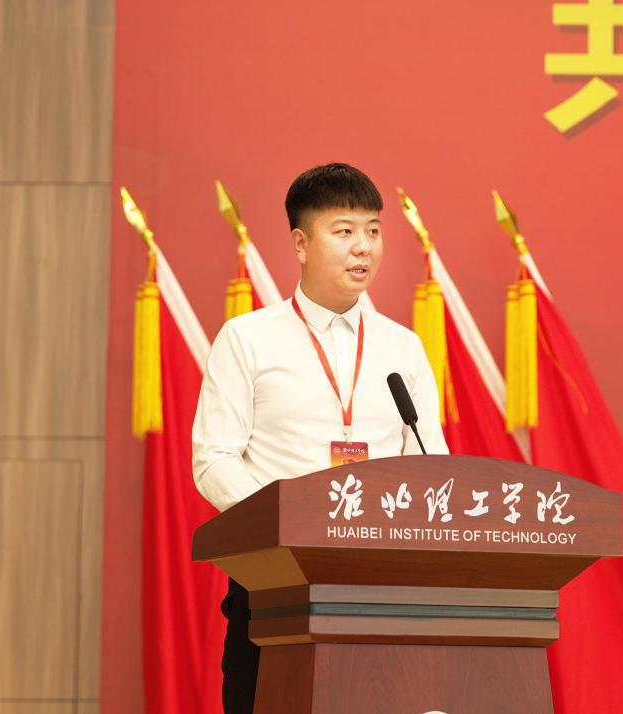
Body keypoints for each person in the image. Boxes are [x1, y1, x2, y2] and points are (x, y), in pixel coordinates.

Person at [191, 162, 449, 713]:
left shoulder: (402, 346)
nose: (363, 247)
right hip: (273, 585)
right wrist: (288, 521)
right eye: (344, 231)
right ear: (301, 244)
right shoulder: (248, 339)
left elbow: (429, 460)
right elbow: (214, 460)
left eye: (373, 230)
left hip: (380, 589)